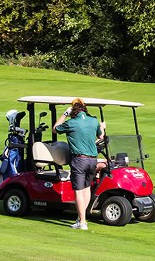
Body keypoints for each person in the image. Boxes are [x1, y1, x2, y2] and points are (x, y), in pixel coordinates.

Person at [53, 97, 106, 230]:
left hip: (79, 160)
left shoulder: (71, 123)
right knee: (87, 188)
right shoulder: (93, 121)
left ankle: (82, 222)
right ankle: (81, 218)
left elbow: (55, 129)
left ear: (73, 110)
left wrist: (65, 113)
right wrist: (102, 127)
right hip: (93, 159)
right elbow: (101, 137)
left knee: (78, 191)